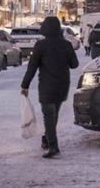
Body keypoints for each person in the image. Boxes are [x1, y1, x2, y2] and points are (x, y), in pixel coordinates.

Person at [20, 16, 79, 158]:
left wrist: (25, 85)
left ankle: (53, 146)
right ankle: (47, 139)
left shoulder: (41, 45)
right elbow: (74, 64)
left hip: (47, 85)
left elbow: (32, 67)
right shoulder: (66, 44)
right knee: (53, 114)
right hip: (62, 85)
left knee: (48, 116)